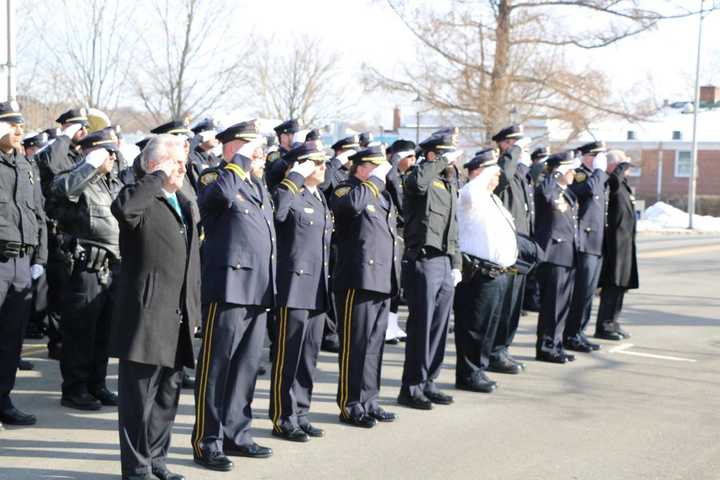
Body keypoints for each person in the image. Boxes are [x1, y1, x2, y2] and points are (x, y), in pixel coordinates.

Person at [111, 134, 199, 480]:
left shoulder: (182, 200)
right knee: (138, 400)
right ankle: (136, 469)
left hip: (177, 316)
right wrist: (157, 177)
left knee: (167, 396)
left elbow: (192, 263)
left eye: (182, 163)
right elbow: (125, 210)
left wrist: (194, 310)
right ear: (154, 165)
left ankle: (157, 458)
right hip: (146, 316)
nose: (182, 169)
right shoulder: (139, 196)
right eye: (175, 163)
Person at [192, 122, 275, 471]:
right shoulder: (217, 177)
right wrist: (236, 163)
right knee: (216, 366)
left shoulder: (257, 185)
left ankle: (236, 434)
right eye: (250, 146)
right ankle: (206, 439)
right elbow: (220, 200)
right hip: (227, 287)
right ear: (233, 147)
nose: (258, 153)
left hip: (258, 289)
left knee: (245, 368)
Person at [51, 128, 124, 410]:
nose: (113, 157)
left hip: (112, 267)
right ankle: (75, 388)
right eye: (107, 152)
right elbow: (63, 191)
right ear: (91, 152)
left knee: (103, 332)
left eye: (114, 152)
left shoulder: (112, 183)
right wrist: (89, 165)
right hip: (85, 266)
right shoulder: (75, 180)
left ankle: (97, 383)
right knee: (81, 331)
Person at [331, 144, 400, 428]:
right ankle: (350, 403)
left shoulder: (382, 194)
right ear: (359, 167)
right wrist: (373, 181)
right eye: (374, 167)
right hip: (357, 279)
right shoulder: (345, 189)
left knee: (374, 345)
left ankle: (370, 399)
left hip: (382, 279)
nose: (380, 172)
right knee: (355, 345)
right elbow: (351, 207)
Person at [269, 141, 332, 442]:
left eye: (323, 163)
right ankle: (283, 416)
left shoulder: (320, 197)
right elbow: (278, 214)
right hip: (293, 286)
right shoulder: (289, 192)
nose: (322, 167)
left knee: (308, 356)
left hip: (318, 286)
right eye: (315, 162)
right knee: (288, 356)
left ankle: (301, 412)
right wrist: (293, 176)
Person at [397, 130, 461, 410]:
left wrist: (456, 263)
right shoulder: (419, 174)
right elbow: (418, 184)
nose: (452, 160)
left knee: (439, 328)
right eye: (446, 154)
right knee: (421, 327)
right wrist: (437, 161)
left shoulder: (448, 182)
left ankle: (429, 381)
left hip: (444, 261)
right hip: (423, 260)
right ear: (434, 154)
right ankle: (411, 388)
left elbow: (453, 226)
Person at [454, 149, 517, 393]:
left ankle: (478, 369)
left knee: (488, 326)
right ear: (479, 172)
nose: (496, 178)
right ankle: (468, 374)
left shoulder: (491, 197)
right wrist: (484, 172)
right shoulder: (471, 193)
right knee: (473, 327)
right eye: (492, 173)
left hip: (498, 272)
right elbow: (473, 189)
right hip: (478, 273)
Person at [0, 101, 47, 428]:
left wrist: (40, 258)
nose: (19, 131)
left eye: (20, 125)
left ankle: (3, 399)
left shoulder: (27, 166)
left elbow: (39, 214)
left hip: (22, 261)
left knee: (11, 338)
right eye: (11, 125)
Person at [489, 124, 533, 375]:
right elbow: (502, 176)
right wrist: (514, 152)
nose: (519, 148)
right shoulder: (498, 168)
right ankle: (494, 352)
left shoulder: (518, 170)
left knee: (514, 304)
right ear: (503, 144)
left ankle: (503, 348)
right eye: (514, 143)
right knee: (502, 305)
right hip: (505, 247)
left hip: (520, 245)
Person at [533, 151, 580, 364]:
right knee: (552, 306)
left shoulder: (566, 192)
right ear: (560, 169)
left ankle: (556, 344)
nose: (574, 173)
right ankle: (546, 347)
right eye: (570, 169)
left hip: (568, 254)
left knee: (562, 306)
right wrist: (553, 174)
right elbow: (545, 194)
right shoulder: (547, 188)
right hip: (553, 255)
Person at [564, 141, 608, 351]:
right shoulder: (580, 174)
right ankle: (571, 334)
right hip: (584, 241)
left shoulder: (597, 176)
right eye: (596, 155)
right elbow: (588, 190)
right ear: (586, 156)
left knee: (589, 293)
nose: (600, 159)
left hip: (596, 242)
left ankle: (579, 332)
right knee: (580, 292)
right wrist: (598, 170)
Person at [318, 135, 359, 353]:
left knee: (336, 285)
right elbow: (324, 184)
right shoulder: (331, 170)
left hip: (340, 238)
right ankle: (329, 331)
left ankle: (334, 329)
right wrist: (334, 162)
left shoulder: (346, 175)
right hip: (327, 238)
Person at [596, 150, 638, 340]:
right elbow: (613, 180)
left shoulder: (623, 185)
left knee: (621, 286)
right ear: (614, 166)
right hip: (613, 245)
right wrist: (621, 165)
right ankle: (604, 326)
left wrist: (624, 165)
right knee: (612, 286)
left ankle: (614, 323)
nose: (627, 171)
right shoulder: (609, 181)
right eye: (624, 167)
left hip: (625, 245)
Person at [383, 139, 416, 344]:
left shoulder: (405, 176)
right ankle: (386, 324)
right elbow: (396, 193)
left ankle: (392, 323)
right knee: (391, 279)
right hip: (392, 233)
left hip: (404, 233)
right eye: (409, 157)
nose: (414, 161)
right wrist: (394, 162)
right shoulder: (389, 174)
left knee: (398, 281)